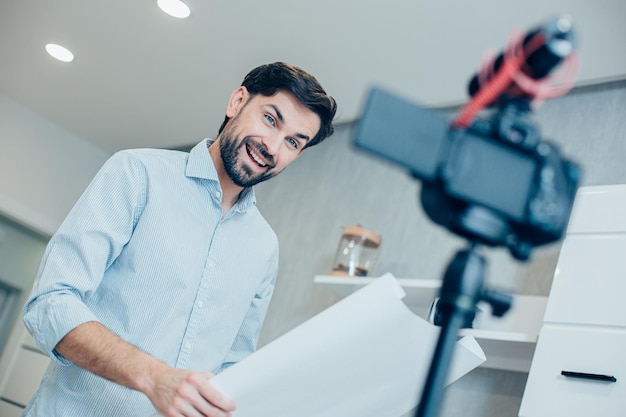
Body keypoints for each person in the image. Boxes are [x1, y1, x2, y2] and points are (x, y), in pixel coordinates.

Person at [22, 62, 337, 417]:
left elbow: (233, 369)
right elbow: (51, 303)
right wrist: (154, 378)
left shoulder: (264, 248)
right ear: (237, 102)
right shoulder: (137, 174)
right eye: (270, 119)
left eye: (293, 142)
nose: (273, 147)